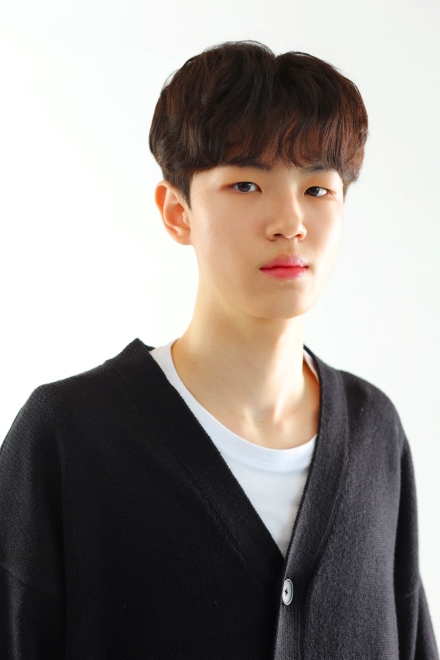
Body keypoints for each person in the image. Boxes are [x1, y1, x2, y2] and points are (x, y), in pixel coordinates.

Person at [0, 40, 437, 659]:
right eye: (246, 185)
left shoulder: (375, 434)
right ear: (177, 212)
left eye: (318, 189)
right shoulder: (69, 437)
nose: (290, 222)